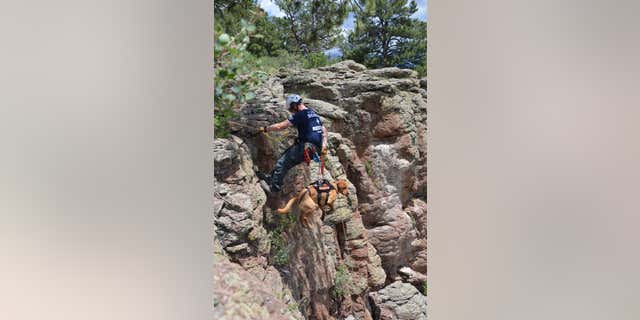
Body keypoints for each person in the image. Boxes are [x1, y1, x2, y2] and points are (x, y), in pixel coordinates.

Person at [258, 94, 328, 194]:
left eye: (291, 109)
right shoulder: (313, 114)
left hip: (306, 147)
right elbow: (324, 131)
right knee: (284, 157)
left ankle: (273, 188)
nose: (292, 111)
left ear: (295, 105)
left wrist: (266, 128)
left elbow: (281, 126)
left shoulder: (301, 114)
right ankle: (271, 178)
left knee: (282, 163)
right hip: (314, 148)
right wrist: (324, 145)